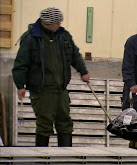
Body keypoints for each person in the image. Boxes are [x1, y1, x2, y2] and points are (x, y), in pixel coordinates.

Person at [12, 7, 90, 147]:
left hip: (61, 89)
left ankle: (66, 158)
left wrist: (83, 71)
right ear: (47, 23)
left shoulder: (64, 35)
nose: (60, 25)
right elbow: (21, 64)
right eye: (57, 23)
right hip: (42, 91)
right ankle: (41, 158)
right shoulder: (30, 38)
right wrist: (20, 86)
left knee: (65, 123)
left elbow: (74, 55)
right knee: (44, 124)